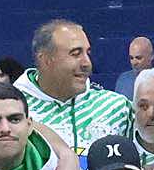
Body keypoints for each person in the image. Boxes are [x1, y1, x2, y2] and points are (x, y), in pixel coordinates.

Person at [18, 18, 136, 155]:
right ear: (45, 60)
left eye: (88, 53)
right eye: (76, 54)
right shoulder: (12, 112)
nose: (87, 63)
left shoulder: (116, 107)